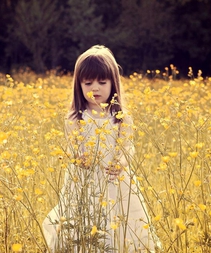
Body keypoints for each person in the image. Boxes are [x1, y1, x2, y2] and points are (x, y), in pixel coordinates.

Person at [42, 45, 161, 252]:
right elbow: (73, 148)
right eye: (88, 83)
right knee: (83, 221)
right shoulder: (75, 118)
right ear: (78, 85)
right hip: (84, 180)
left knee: (122, 223)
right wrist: (79, 158)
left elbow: (127, 147)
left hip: (116, 180)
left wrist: (120, 163)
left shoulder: (121, 116)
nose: (95, 88)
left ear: (113, 83)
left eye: (102, 82)